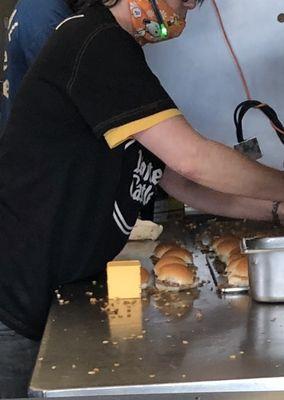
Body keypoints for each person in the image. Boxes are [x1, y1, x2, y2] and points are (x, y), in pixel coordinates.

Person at [0, 0, 283, 396]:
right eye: (185, 0)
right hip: (15, 302)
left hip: (57, 293)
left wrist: (274, 210)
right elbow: (193, 160)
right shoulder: (94, 41)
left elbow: (181, 183)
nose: (190, 8)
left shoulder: (120, 54)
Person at [0, 0, 73, 133]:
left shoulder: (36, 6)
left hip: (21, 130)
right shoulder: (44, 17)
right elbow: (68, 90)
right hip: (33, 137)